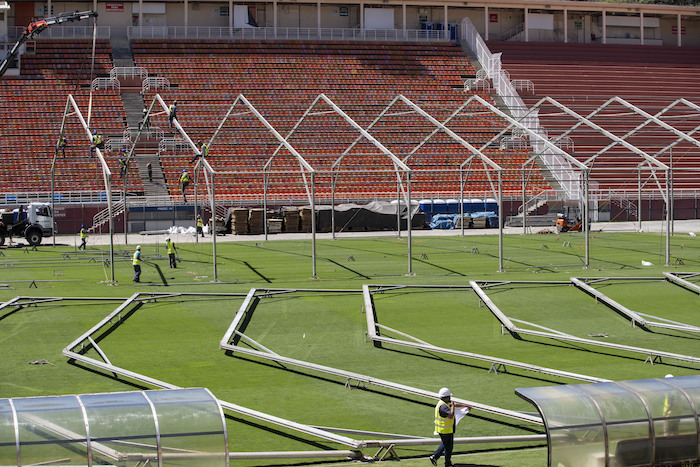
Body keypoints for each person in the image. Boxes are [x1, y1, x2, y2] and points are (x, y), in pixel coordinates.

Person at [430, 387, 470, 467]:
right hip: (445, 430)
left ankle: (438, 458)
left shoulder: (443, 403)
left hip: (444, 429)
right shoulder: (443, 407)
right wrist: (452, 406)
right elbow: (451, 415)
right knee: (448, 447)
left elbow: (454, 405)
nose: (450, 398)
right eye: (449, 397)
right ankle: (443, 461)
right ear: (446, 397)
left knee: (446, 445)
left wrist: (465, 406)